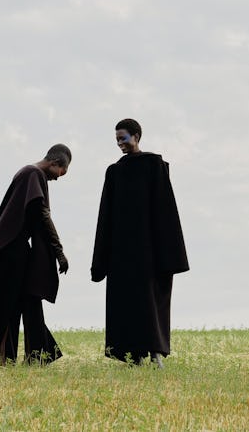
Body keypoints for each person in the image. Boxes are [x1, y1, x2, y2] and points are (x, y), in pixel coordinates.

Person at [91, 118, 189, 368]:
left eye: (123, 138)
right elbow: (106, 215)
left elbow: (165, 209)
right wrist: (102, 259)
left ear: (136, 136)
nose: (119, 144)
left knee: (150, 301)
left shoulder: (154, 165)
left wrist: (170, 254)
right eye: (116, 140)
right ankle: (133, 356)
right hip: (122, 252)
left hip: (150, 250)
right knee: (127, 303)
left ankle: (155, 353)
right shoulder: (114, 172)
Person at [0, 145, 71, 365]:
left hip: (13, 248)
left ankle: (34, 356)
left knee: (26, 299)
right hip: (10, 250)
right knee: (7, 304)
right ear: (54, 163)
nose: (57, 179)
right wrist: (59, 252)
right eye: (61, 173)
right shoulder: (33, 174)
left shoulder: (28, 173)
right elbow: (43, 214)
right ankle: (0, 357)